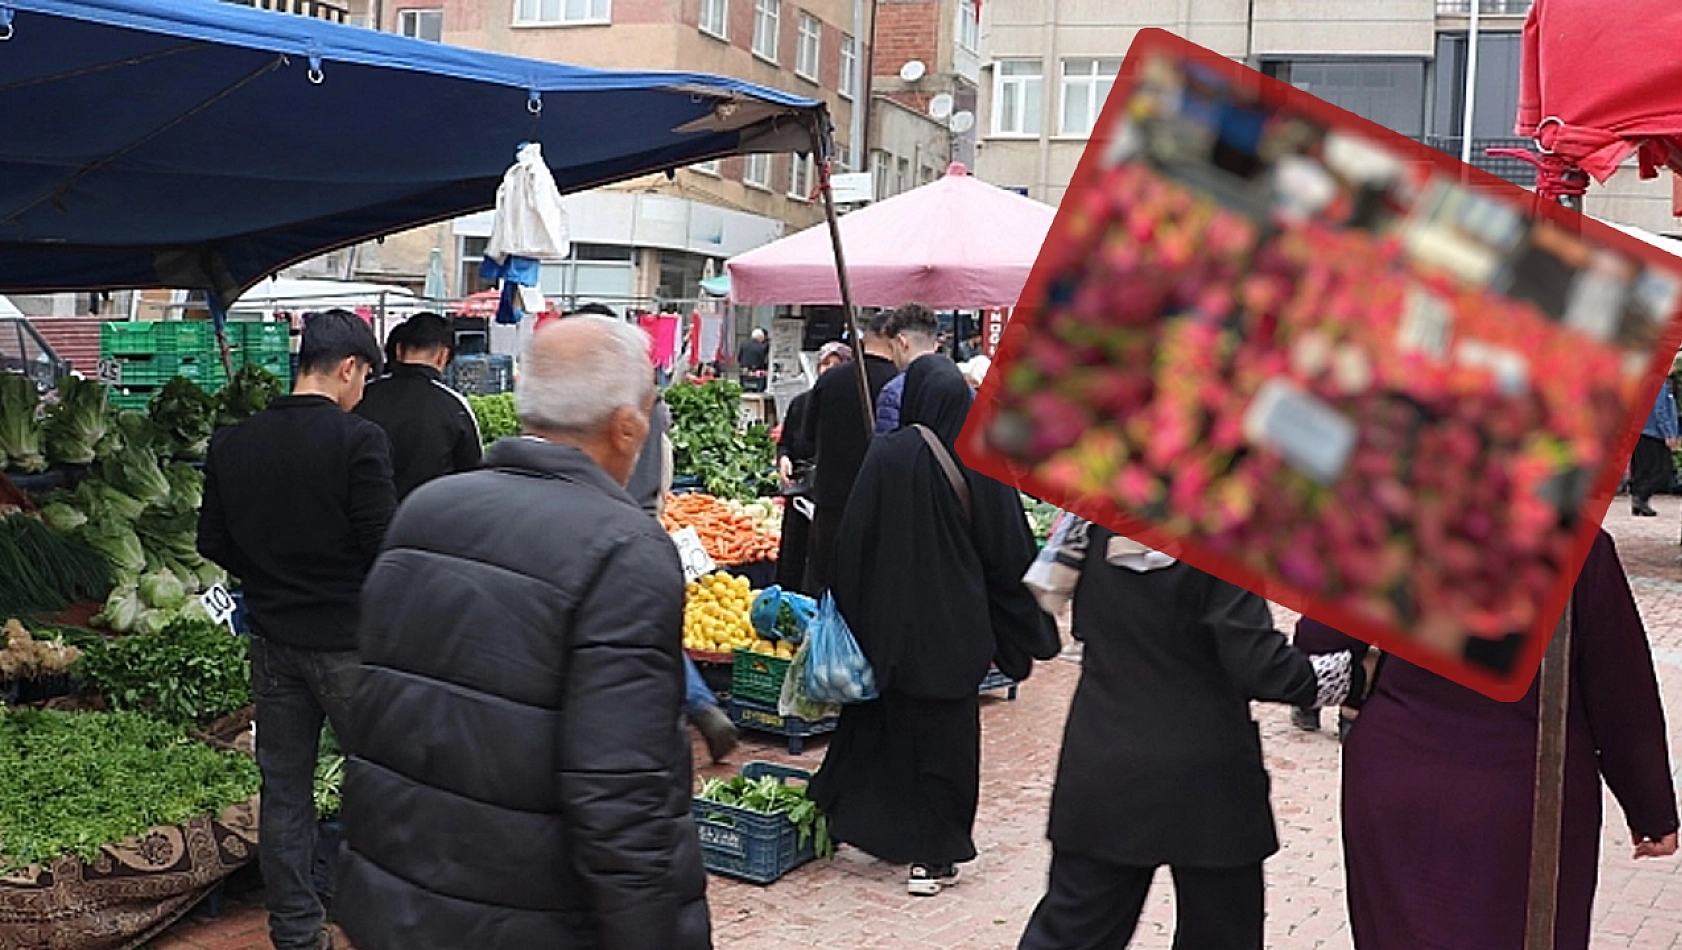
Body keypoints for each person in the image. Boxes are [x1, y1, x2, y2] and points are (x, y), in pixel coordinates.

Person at [336, 314, 712, 950]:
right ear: (629, 425)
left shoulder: (425, 512)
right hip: (531, 920)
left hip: (396, 907)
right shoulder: (625, 550)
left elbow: (380, 720)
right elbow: (620, 799)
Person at [1017, 522, 1375, 950]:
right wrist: (1352, 676)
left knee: (1072, 931)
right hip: (1206, 773)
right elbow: (1258, 663)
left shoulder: (1093, 524)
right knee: (1221, 934)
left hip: (1103, 756)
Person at [1338, 528, 1678, 950]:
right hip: (1528, 789)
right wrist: (1652, 809)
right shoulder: (1576, 545)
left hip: (1396, 777)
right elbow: (1619, 692)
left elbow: (1319, 642)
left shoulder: (1398, 529)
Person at [811, 355, 1061, 897]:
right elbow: (1007, 549)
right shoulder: (979, 460)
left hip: (888, 629)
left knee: (887, 727)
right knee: (946, 743)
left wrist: (859, 613)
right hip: (954, 632)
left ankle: (870, 828)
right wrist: (1029, 630)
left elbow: (849, 545)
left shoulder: (884, 456)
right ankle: (934, 857)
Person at [197, 310, 395, 950]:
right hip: (348, 644)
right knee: (381, 784)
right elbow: (384, 545)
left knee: (284, 794)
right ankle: (379, 920)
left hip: (273, 642)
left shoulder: (233, 442)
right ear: (347, 368)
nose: (362, 390)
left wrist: (271, 577)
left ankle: (297, 934)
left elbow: (212, 541)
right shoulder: (358, 440)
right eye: (364, 376)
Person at [556, 303, 733, 762]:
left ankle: (672, 711)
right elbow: (667, 465)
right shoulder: (653, 404)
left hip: (594, 521)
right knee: (654, 626)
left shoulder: (586, 408)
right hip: (646, 522)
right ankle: (697, 703)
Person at [798, 315, 901, 594]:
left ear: (862, 340)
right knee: (873, 589)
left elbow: (805, 441)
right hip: (882, 507)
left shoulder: (831, 380)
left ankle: (827, 638)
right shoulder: (902, 384)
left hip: (832, 502)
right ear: (895, 341)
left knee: (828, 586)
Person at [353, 313, 482, 501]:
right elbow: (473, 476)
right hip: (429, 519)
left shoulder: (362, 395)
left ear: (398, 350)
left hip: (362, 516)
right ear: (443, 356)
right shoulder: (454, 406)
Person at [773, 341, 850, 593]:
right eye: (824, 364)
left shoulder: (850, 408)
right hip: (800, 491)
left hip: (830, 494)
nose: (828, 370)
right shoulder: (801, 403)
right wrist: (783, 459)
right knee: (793, 553)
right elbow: (786, 443)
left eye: (835, 365)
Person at [874, 303, 943, 435]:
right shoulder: (965, 389)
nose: (891, 356)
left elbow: (888, 450)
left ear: (902, 342)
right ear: (935, 345)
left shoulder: (894, 392)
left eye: (891, 347)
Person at [1628, 374, 1678, 517]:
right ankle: (1641, 497)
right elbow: (1660, 410)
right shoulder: (1659, 383)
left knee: (1642, 468)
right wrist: (1669, 433)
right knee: (1662, 470)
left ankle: (1638, 500)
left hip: (1639, 429)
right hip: (1653, 433)